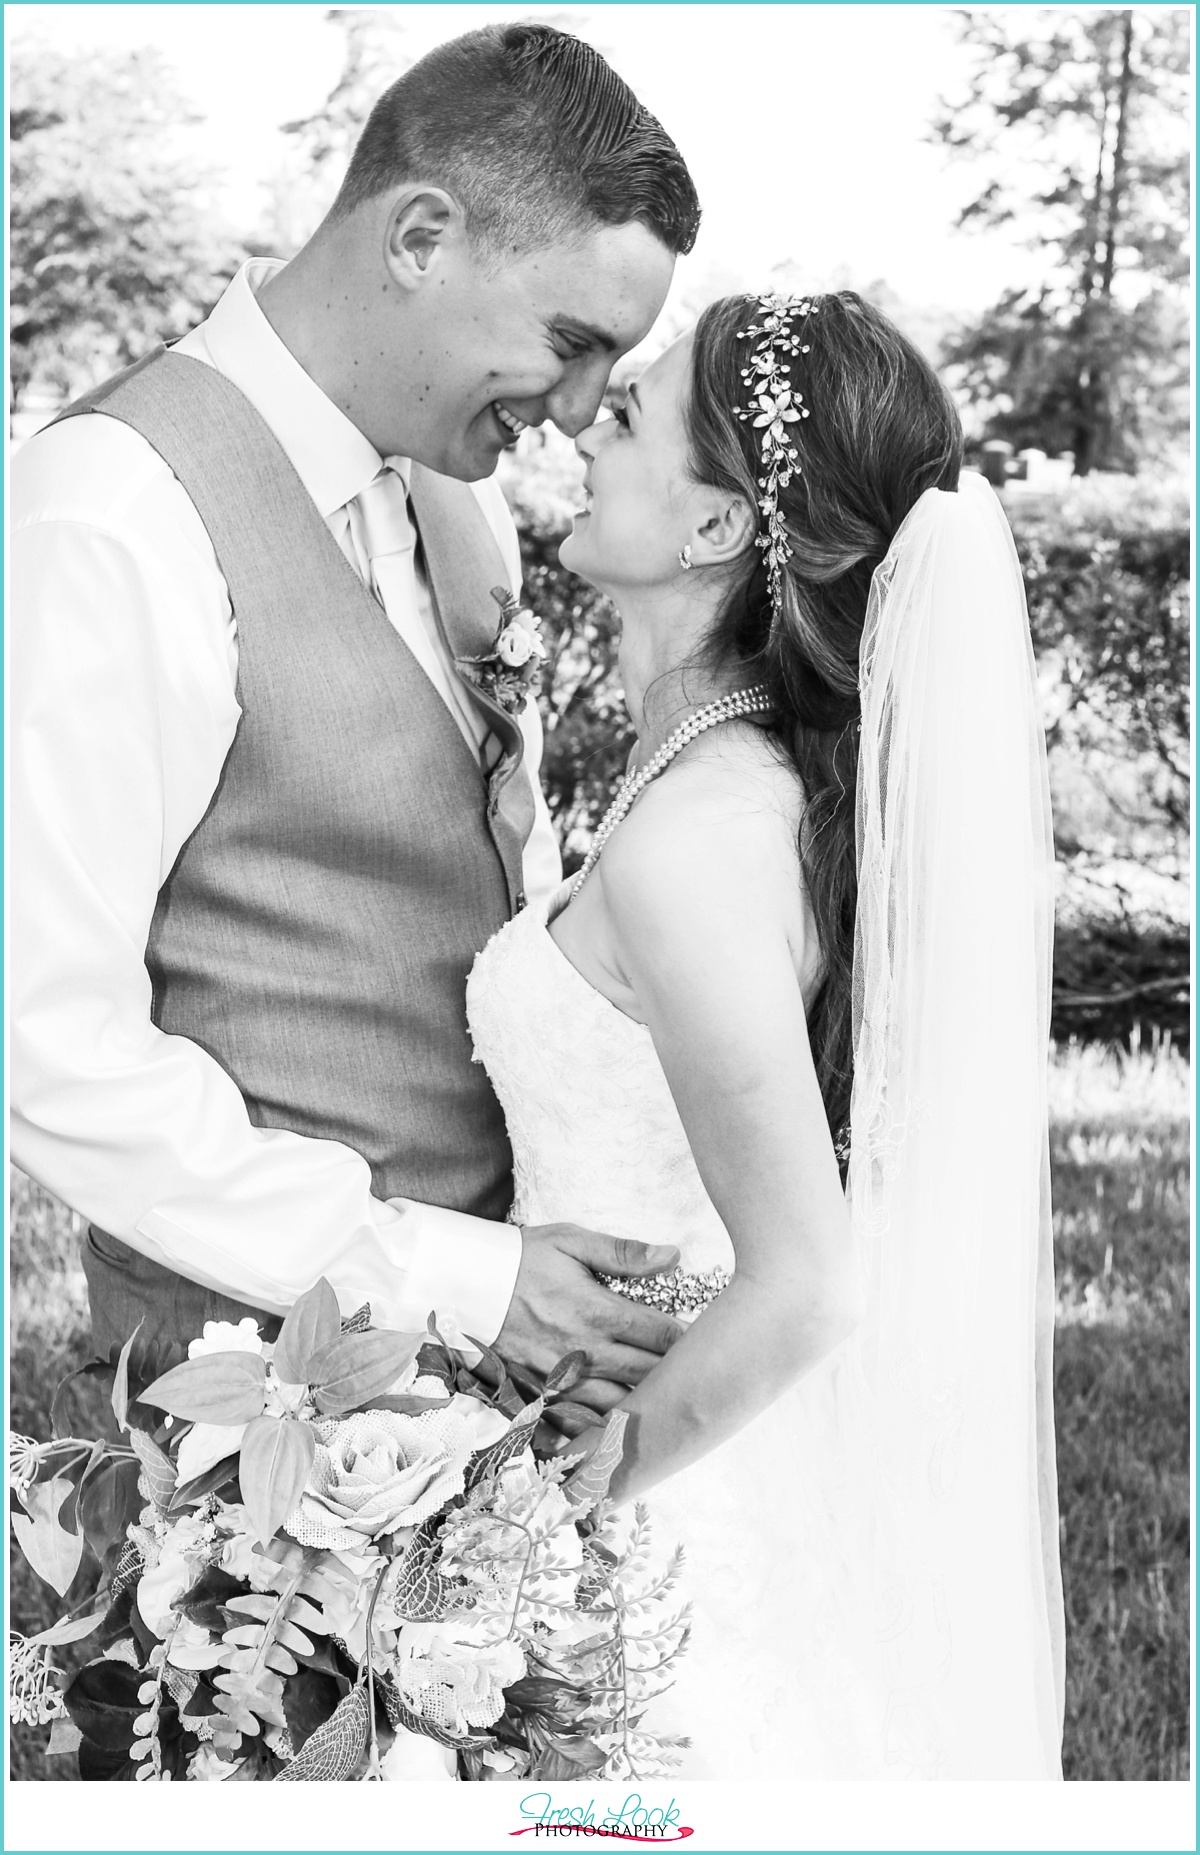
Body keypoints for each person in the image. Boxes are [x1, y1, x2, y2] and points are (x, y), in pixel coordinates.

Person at [10, 24, 701, 1415]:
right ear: (421, 236)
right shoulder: (116, 515)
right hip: (255, 1430)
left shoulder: (434, 491)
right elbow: (43, 1040)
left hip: (480, 1400)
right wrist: (451, 1277)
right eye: (570, 344)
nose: (577, 413)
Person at [466, 291, 1066, 1777]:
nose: (583, 420)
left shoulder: (704, 838)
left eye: (632, 413)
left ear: (721, 530)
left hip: (664, 1488)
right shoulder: (717, 786)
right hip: (648, 1412)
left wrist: (562, 1510)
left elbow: (806, 1280)